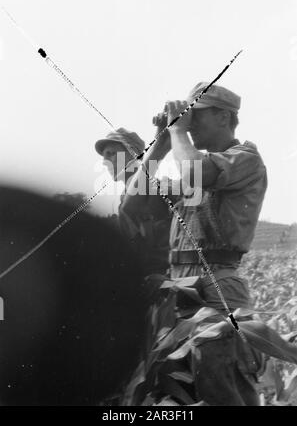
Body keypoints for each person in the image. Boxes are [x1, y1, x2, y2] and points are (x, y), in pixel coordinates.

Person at [122, 82, 297, 406]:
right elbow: (134, 202)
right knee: (171, 389)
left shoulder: (245, 159)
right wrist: (161, 145)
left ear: (223, 117)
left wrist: (178, 133)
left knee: (222, 387)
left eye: (196, 116)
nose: (190, 124)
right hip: (176, 289)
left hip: (216, 286)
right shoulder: (190, 171)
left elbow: (197, 172)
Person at [95, 127, 172, 276]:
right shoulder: (125, 197)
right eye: (105, 157)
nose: (105, 162)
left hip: (166, 278)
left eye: (111, 154)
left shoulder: (155, 189)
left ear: (133, 154)